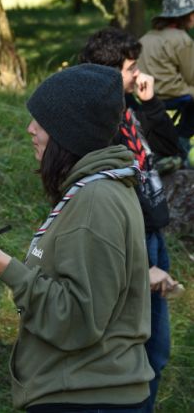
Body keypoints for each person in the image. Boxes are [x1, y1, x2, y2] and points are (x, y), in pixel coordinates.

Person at [0, 64, 154, 412]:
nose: (30, 129)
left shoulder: (96, 202)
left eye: (42, 121)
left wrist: (7, 269)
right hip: (83, 389)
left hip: (88, 398)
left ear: (70, 132)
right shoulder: (94, 191)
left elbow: (78, 320)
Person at [79, 28, 179, 412]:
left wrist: (150, 104)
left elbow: (170, 148)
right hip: (131, 241)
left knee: (156, 350)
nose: (138, 74)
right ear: (109, 74)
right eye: (131, 67)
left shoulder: (131, 109)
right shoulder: (98, 126)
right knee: (141, 346)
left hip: (153, 235)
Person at [137, 0, 194, 155]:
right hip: (171, 94)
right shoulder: (181, 39)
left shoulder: (146, 37)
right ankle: (180, 140)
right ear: (185, 16)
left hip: (145, 96)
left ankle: (173, 139)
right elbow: (191, 77)